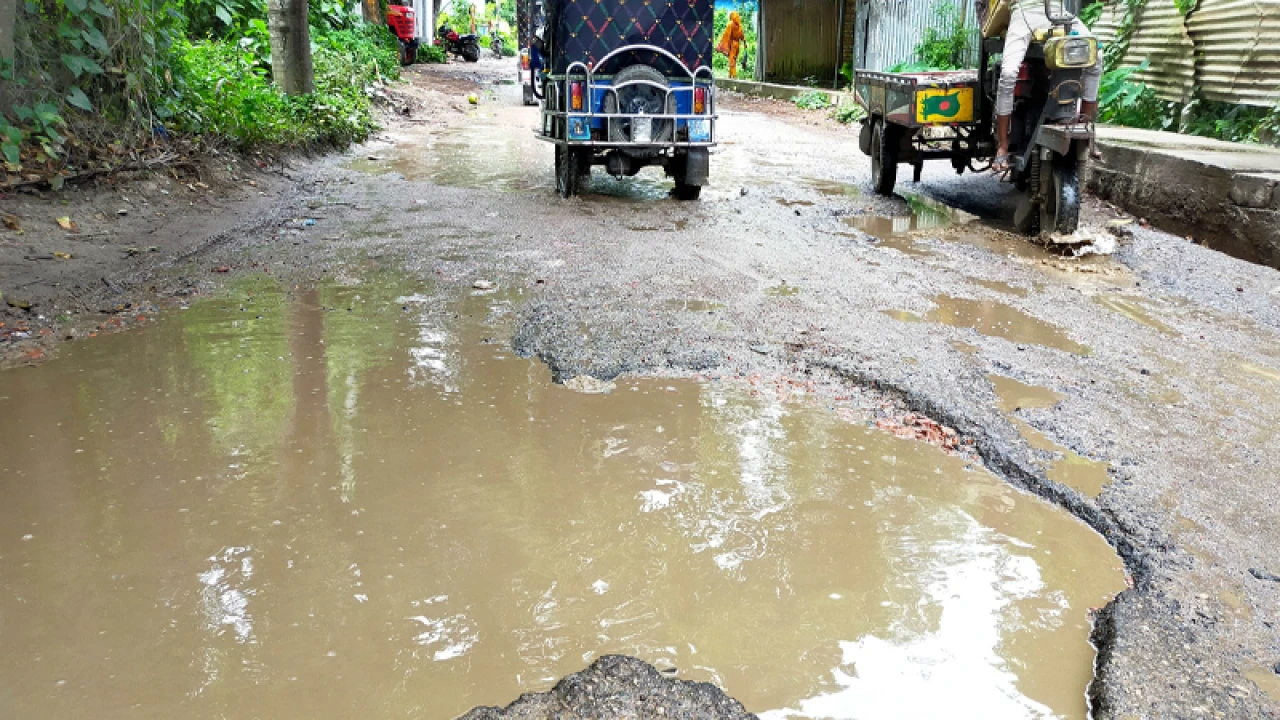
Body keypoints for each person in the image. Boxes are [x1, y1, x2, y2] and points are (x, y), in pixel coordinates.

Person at [980, 0, 1102, 172]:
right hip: (1024, 11)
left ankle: (1086, 127)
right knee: (1008, 73)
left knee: (1097, 56)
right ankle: (1003, 146)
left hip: (1057, 10)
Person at [716, 11, 745, 79]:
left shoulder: (731, 25)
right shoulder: (740, 26)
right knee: (733, 59)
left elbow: (726, 35)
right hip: (738, 44)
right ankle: (730, 75)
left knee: (732, 60)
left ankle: (734, 75)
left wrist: (721, 46)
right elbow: (742, 37)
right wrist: (745, 44)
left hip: (733, 44)